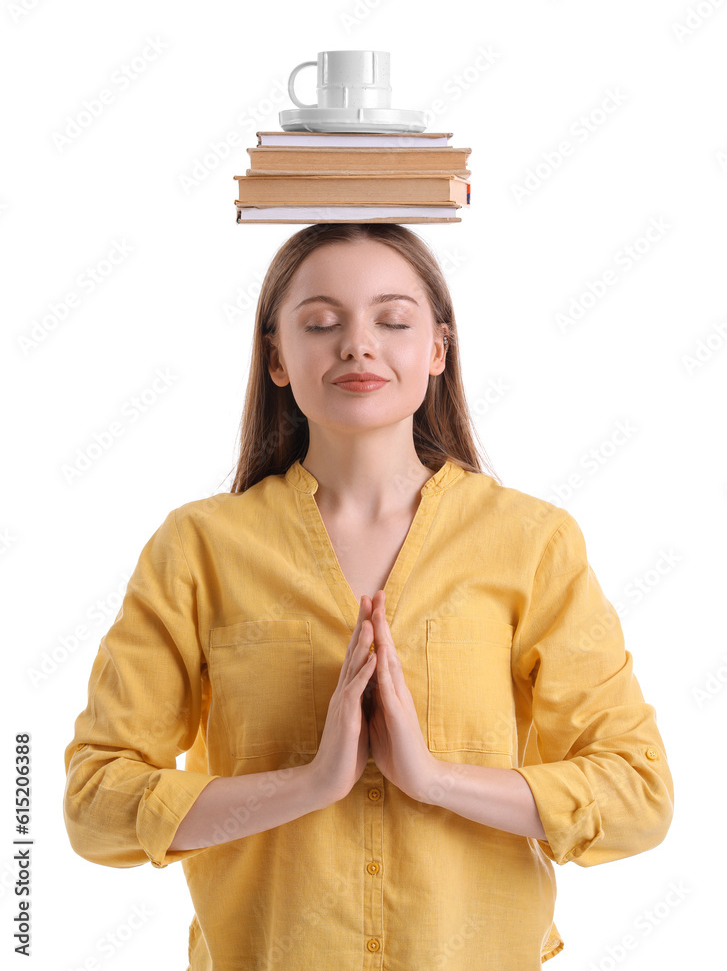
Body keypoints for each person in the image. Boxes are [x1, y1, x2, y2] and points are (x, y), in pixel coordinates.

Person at [62, 223, 674, 970]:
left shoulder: (532, 541)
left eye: (391, 320)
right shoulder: (197, 548)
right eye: (321, 323)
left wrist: (433, 779)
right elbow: (95, 805)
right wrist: (311, 783)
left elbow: (637, 795)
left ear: (437, 351)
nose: (357, 345)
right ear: (277, 357)